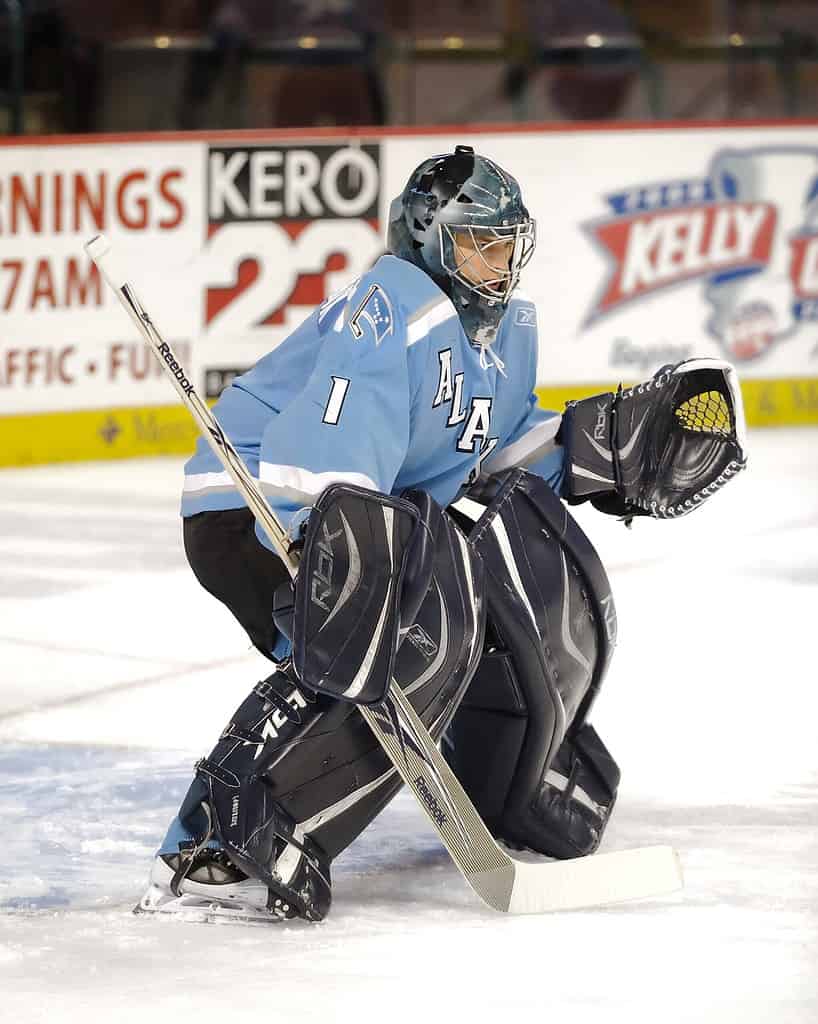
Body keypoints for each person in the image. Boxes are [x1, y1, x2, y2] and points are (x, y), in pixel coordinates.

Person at [137, 145, 747, 922]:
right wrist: (339, 545)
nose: (498, 264)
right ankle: (219, 845)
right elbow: (331, 438)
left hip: (359, 514)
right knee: (397, 630)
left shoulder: (500, 334)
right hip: (255, 508)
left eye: (506, 246)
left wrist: (598, 450)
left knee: (491, 570)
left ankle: (511, 777)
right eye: (479, 244)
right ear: (430, 236)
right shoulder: (394, 302)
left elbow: (491, 452)